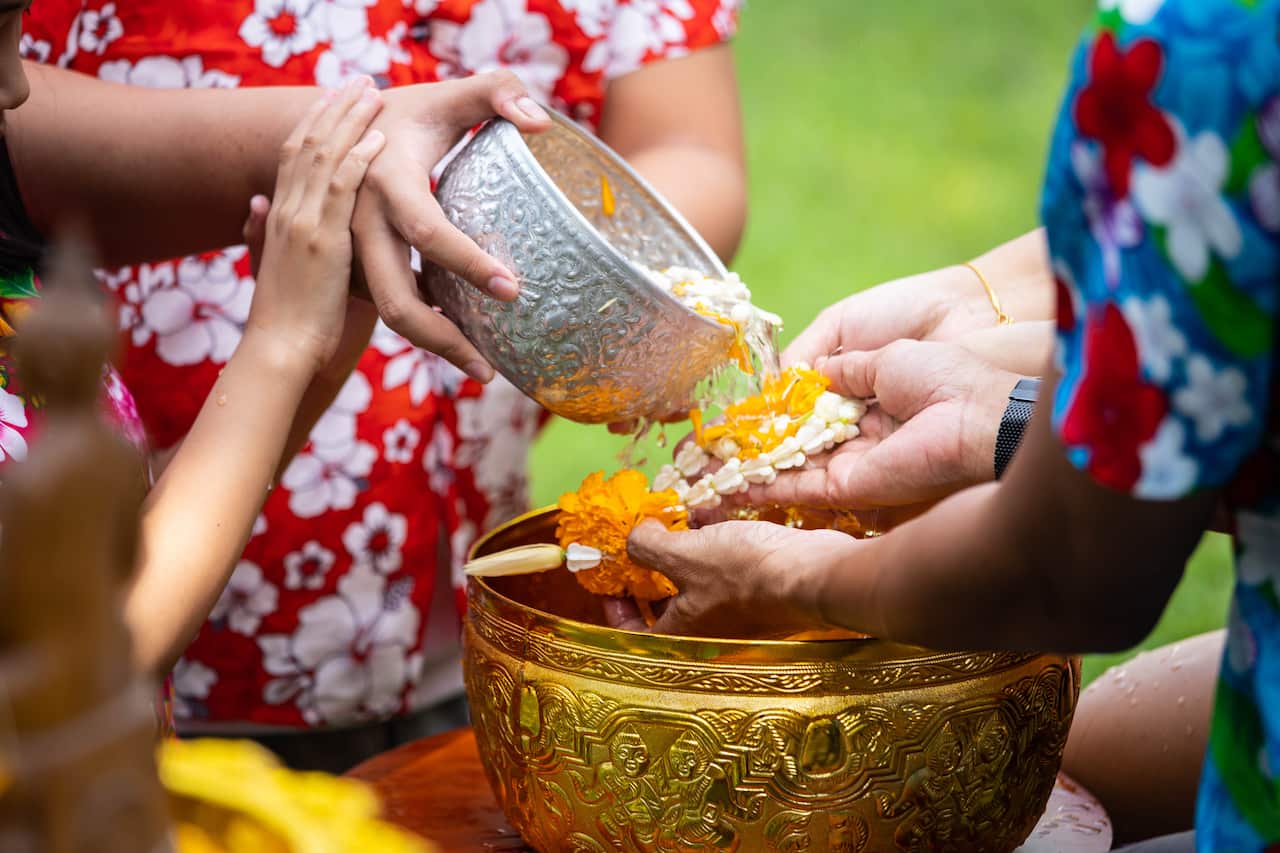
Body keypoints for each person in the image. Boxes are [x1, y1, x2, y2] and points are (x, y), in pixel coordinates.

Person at [21, 0, 747, 769]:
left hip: (461, 594)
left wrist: (577, 277)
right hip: (163, 604)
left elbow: (686, 139)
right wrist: (342, 157)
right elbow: (22, 134)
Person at [623, 1, 1280, 850]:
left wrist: (796, 575)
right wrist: (998, 389)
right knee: (1085, 757)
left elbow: (1073, 576)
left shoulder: (1205, 50)